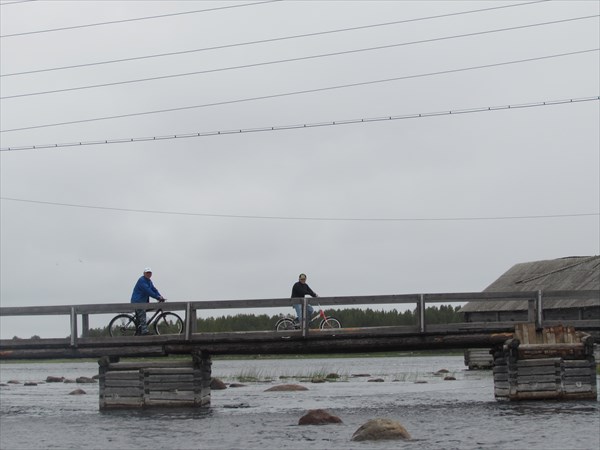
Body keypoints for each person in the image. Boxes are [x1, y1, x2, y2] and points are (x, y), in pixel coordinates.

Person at [130, 267, 165, 335]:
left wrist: (160, 296)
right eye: (147, 273)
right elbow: (148, 291)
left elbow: (154, 289)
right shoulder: (142, 280)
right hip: (138, 301)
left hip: (142, 301)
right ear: (144, 273)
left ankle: (139, 331)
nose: (148, 274)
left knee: (140, 317)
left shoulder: (149, 281)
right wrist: (157, 297)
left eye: (150, 273)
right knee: (142, 314)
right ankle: (144, 331)